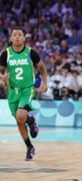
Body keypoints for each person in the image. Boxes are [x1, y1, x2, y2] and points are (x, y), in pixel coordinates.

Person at [0, 27, 48, 161]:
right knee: (19, 121)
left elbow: (42, 68)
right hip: (12, 91)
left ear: (24, 38)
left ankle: (30, 120)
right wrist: (2, 77)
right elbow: (1, 71)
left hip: (27, 89)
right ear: (10, 38)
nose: (17, 37)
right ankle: (29, 147)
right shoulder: (6, 54)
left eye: (20, 35)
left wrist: (44, 83)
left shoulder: (31, 52)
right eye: (14, 35)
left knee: (21, 116)